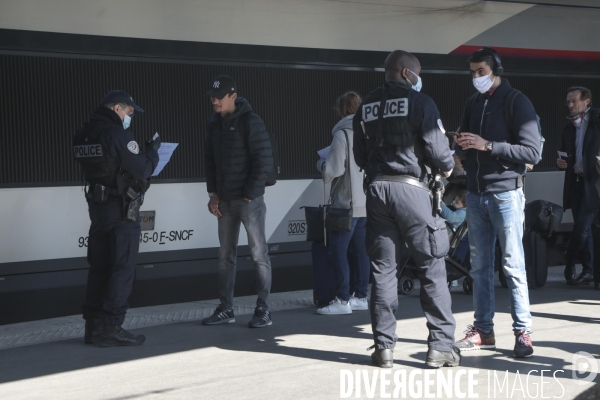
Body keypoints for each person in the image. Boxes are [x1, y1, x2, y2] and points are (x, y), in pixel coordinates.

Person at [354, 50, 459, 369]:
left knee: (383, 270)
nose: (418, 77)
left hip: (377, 189)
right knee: (431, 266)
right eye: (417, 72)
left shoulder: (366, 106)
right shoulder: (421, 102)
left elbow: (360, 156)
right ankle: (440, 347)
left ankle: (384, 348)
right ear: (405, 73)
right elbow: (441, 156)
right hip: (413, 191)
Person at [453, 47, 540, 358]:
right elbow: (467, 147)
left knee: (513, 265)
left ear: (496, 70)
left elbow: (532, 153)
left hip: (505, 194)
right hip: (476, 196)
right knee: (480, 268)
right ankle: (483, 331)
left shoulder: (517, 101)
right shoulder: (473, 103)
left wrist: (487, 145)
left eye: (481, 72)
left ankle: (522, 332)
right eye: (473, 72)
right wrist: (460, 147)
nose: (476, 77)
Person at [73, 90, 159, 347]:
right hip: (120, 210)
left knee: (99, 268)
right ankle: (112, 328)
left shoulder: (83, 135)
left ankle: (93, 328)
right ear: (118, 108)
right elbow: (142, 168)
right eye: (129, 112)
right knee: (122, 269)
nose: (130, 117)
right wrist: (152, 152)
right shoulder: (116, 134)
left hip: (97, 211)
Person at [202, 75, 275, 328]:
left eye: (219, 97)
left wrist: (249, 193)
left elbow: (263, 160)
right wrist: (213, 193)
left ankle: (263, 310)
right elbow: (210, 161)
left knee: (258, 254)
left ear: (233, 96)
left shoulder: (251, 122)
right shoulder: (214, 124)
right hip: (225, 201)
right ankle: (226, 309)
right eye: (212, 97)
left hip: (248, 201)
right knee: (225, 255)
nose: (215, 101)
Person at [315, 92, 369, 315]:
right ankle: (361, 296)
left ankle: (342, 300)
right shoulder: (369, 133)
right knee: (362, 252)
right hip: (366, 203)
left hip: (345, 203)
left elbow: (333, 170)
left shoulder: (342, 135)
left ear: (340, 110)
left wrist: (321, 164)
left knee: (338, 251)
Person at [557, 87, 600, 286]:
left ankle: (569, 259)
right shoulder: (569, 126)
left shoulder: (597, 120)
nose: (571, 105)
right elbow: (564, 152)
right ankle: (589, 269)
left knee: (583, 226)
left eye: (574, 101)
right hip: (574, 180)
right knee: (585, 227)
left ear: (587, 101)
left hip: (594, 181)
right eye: (568, 102)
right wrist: (560, 162)